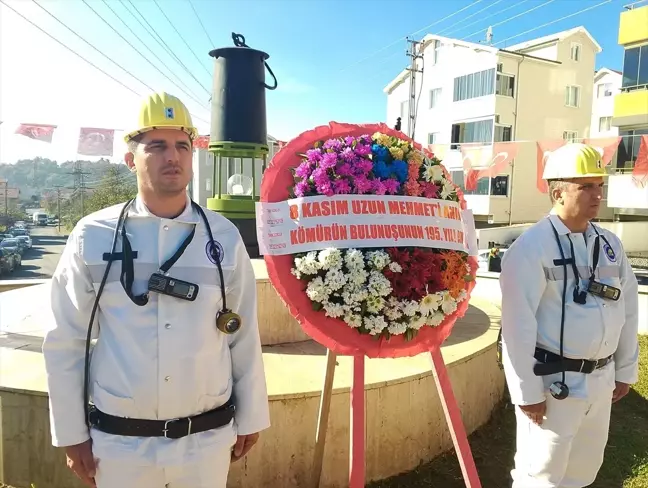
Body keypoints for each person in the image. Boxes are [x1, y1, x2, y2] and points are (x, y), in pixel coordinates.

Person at [42, 91, 270, 487]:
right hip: (119, 446)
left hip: (205, 443)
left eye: (182, 146)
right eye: (157, 146)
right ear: (131, 159)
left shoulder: (223, 236)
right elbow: (66, 340)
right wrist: (71, 432)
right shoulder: (91, 236)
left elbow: (243, 332)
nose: (173, 156)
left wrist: (251, 415)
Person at [499, 143, 639, 488]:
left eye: (599, 186)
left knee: (583, 470)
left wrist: (624, 370)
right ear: (558, 192)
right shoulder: (531, 248)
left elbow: (628, 308)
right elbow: (517, 327)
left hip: (601, 381)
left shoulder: (609, 244)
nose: (597, 195)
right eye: (586, 187)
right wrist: (527, 393)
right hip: (554, 386)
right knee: (540, 476)